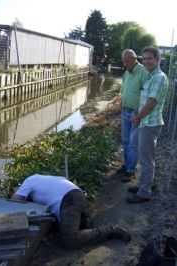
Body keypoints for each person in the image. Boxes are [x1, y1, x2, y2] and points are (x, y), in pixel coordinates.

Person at [11, 174, 131, 248]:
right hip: (77, 195)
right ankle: (84, 222)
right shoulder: (42, 180)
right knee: (82, 229)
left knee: (71, 240)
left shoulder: (29, 180)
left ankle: (112, 230)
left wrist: (13, 194)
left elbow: (16, 200)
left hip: (69, 200)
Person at [126, 46, 169, 203]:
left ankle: (144, 193)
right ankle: (144, 184)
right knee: (142, 155)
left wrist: (138, 117)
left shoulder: (159, 77)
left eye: (149, 58)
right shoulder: (150, 76)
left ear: (157, 60)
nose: (146, 61)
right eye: (144, 59)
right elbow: (143, 98)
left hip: (150, 124)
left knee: (146, 159)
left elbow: (151, 103)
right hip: (143, 121)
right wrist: (136, 113)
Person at [118, 49, 148, 182]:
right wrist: (120, 104)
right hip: (125, 111)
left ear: (135, 59)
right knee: (125, 141)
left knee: (133, 144)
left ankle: (131, 171)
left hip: (136, 113)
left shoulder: (143, 72)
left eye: (127, 61)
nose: (125, 64)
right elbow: (123, 91)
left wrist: (138, 112)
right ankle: (127, 165)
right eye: (124, 61)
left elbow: (145, 95)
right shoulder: (126, 73)